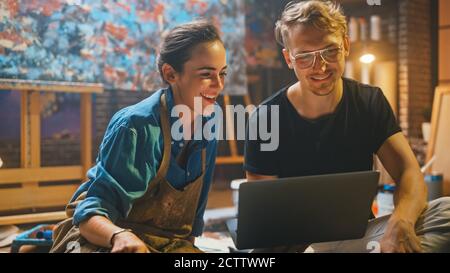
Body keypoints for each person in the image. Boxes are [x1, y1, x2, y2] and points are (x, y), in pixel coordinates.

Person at [244, 0, 450, 253]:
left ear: (346, 46)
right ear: (289, 58)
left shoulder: (368, 101)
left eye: (330, 51)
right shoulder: (266, 117)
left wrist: (401, 222)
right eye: (305, 57)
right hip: (298, 246)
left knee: (446, 211)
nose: (319, 67)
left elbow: (409, 173)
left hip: (357, 237)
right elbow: (262, 219)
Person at [50, 20, 227, 253]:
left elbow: (194, 214)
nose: (218, 85)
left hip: (166, 243)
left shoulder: (211, 118)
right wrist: (119, 237)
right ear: (170, 74)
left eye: (223, 73)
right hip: (106, 238)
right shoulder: (136, 126)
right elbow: (90, 213)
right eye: (206, 74)